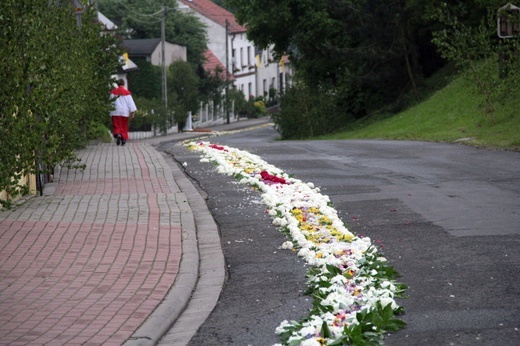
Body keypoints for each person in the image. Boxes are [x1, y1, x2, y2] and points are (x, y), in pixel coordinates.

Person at [110, 79, 137, 146]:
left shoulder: (113, 92)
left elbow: (110, 102)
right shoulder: (127, 92)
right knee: (124, 126)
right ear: (123, 84)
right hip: (124, 112)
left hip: (115, 111)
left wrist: (110, 111)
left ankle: (118, 134)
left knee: (116, 125)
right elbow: (130, 103)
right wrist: (132, 112)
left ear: (117, 84)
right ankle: (123, 139)